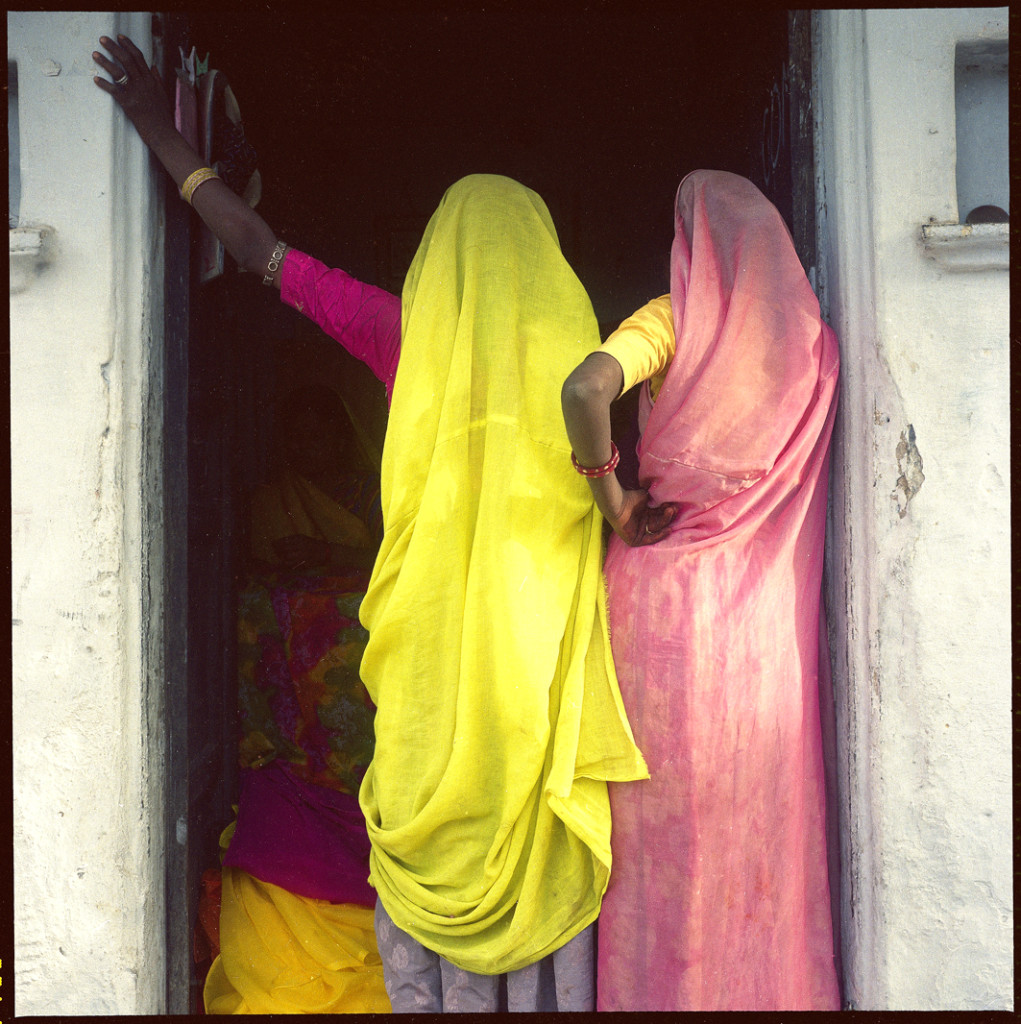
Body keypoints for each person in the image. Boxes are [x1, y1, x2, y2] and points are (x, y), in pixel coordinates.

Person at [94, 34, 649, 1013]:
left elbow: (264, 254)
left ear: (438, 260)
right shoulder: (592, 377)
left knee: (427, 868)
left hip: (428, 697)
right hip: (537, 687)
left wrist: (155, 128)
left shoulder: (407, 341)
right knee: (534, 863)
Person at [561, 169, 842, 1010]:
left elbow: (583, 388)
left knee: (658, 849)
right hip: (760, 629)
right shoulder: (811, 347)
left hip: (657, 618)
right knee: (752, 833)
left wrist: (608, 492)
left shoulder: (673, 318)